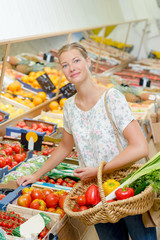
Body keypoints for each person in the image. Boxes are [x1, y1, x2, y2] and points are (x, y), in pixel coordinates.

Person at [17, 42, 157, 240]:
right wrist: (35, 175)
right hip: (94, 192)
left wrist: (100, 169)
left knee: (143, 238)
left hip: (127, 186)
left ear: (88, 62)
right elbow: (65, 147)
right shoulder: (69, 108)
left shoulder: (111, 98)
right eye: (65, 65)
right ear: (63, 71)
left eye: (76, 60)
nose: (72, 68)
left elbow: (140, 147)